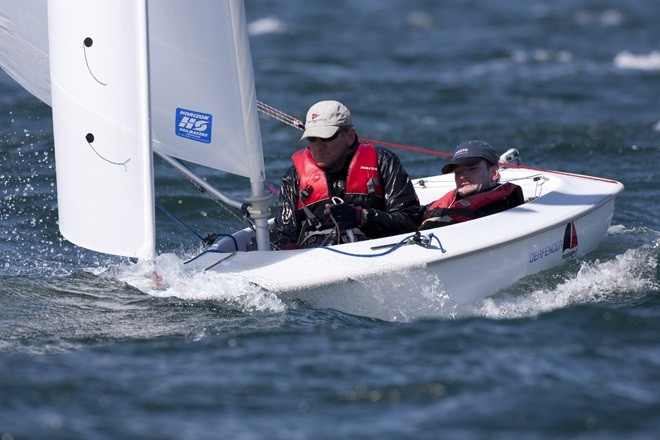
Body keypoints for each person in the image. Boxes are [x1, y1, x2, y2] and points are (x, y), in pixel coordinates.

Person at [271, 100, 420, 249]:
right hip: (317, 262)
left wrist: (362, 217)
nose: (318, 146)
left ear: (349, 136)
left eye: (326, 137)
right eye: (312, 138)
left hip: (374, 255)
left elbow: (409, 222)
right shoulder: (294, 176)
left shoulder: (384, 162)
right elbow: (282, 236)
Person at [419, 140, 525, 230]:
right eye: (458, 172)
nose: (462, 177)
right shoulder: (442, 204)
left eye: (472, 169)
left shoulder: (504, 211)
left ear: (494, 173)